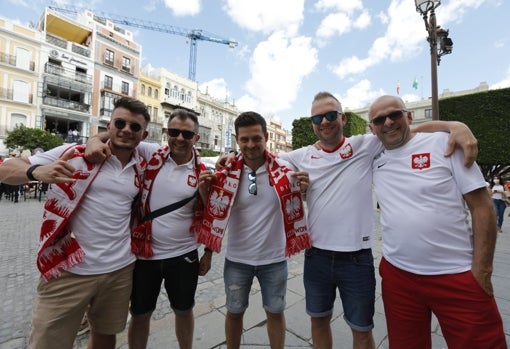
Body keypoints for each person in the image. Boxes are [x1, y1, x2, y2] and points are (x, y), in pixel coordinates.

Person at [274, 92, 479, 349]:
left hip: (356, 259)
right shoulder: (301, 155)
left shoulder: (365, 144)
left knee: (361, 330)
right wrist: (229, 161)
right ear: (312, 123)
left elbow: (409, 129)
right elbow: (263, 159)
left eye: (330, 115)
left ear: (343, 118)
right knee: (318, 321)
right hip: (316, 256)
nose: (324, 121)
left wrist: (454, 126)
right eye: (317, 117)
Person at [0, 96, 150, 349]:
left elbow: (181, 148)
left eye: (135, 127)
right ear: (109, 126)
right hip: (68, 270)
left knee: (105, 336)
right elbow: (5, 169)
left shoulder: (142, 162)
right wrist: (36, 173)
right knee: (48, 343)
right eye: (120, 123)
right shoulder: (73, 154)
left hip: (120, 270)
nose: (126, 130)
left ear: (143, 134)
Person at [368, 95, 507, 349]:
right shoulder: (373, 154)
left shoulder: (444, 143)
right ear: (372, 128)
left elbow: (482, 206)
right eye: (379, 119)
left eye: (395, 114)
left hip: (456, 274)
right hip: (398, 276)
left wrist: (482, 269)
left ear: (408, 116)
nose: (388, 122)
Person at [85, 109, 213, 349]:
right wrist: (93, 139)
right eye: (174, 132)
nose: (180, 138)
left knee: (184, 311)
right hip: (144, 255)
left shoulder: (203, 172)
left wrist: (208, 252)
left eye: (187, 134)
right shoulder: (149, 152)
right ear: (166, 133)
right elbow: (117, 135)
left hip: (184, 254)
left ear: (196, 138)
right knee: (141, 315)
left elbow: (212, 216)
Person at [196, 111, 311, 349]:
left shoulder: (285, 167)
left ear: (266, 137)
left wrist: (304, 190)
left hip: (275, 260)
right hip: (238, 260)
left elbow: (317, 161)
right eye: (244, 139)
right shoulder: (225, 173)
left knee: (275, 313)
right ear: (237, 140)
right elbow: (215, 212)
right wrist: (204, 192)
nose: (250, 145)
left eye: (256, 138)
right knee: (234, 313)